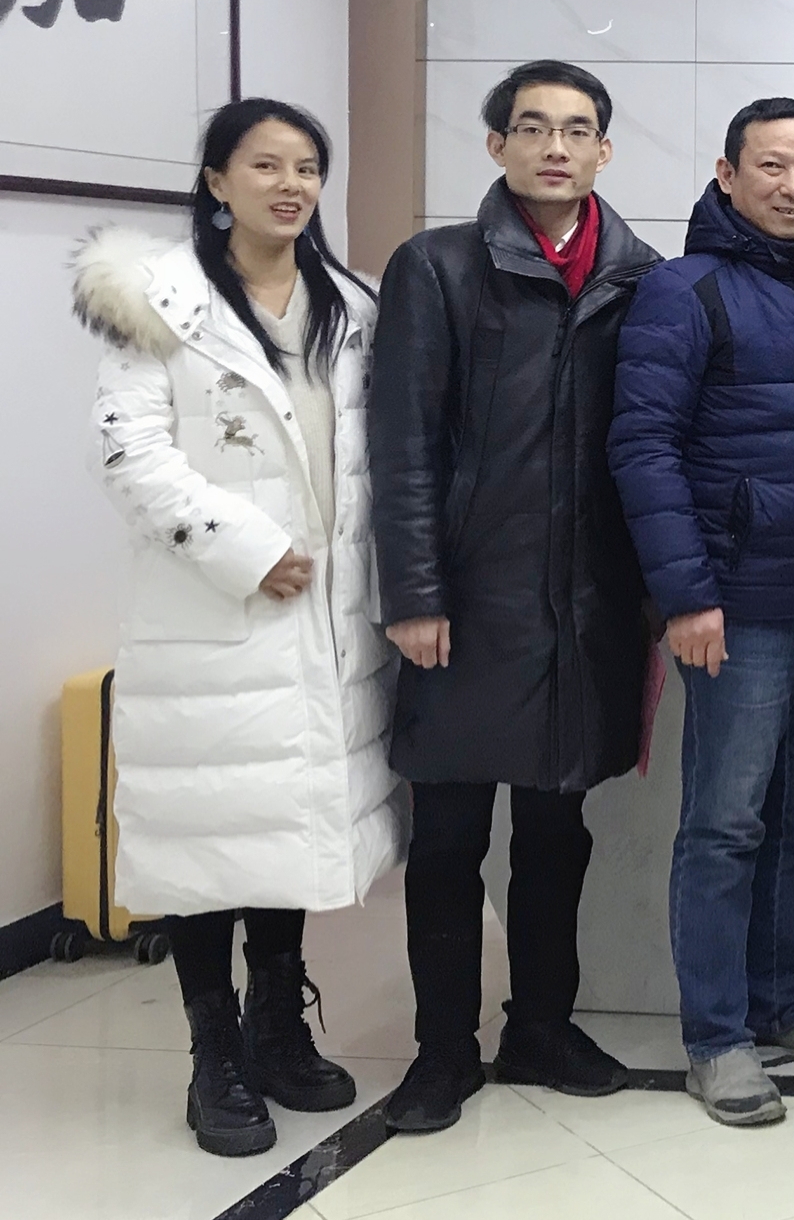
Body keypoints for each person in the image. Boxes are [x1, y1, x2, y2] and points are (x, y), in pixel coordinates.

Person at [73, 101, 397, 1157]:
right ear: (216, 181)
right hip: (212, 614)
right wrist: (242, 547)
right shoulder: (157, 302)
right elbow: (128, 451)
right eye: (265, 166)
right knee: (206, 835)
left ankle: (277, 1027)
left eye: (307, 167)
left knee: (284, 827)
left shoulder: (352, 305)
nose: (290, 185)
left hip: (323, 616)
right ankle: (214, 1054)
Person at [371, 58, 661, 1134]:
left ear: (604, 151)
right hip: (466, 600)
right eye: (533, 127)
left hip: (588, 605)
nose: (555, 147)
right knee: (449, 834)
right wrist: (414, 590)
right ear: (496, 145)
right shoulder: (437, 267)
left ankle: (540, 1025)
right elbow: (402, 443)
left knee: (556, 828)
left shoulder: (640, 276)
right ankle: (441, 1051)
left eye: (577, 130)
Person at [609, 98, 794, 1127]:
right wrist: (686, 595)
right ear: (727, 175)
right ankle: (718, 1039)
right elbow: (642, 447)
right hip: (738, 611)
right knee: (725, 825)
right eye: (771, 166)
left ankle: (783, 1005)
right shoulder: (683, 291)